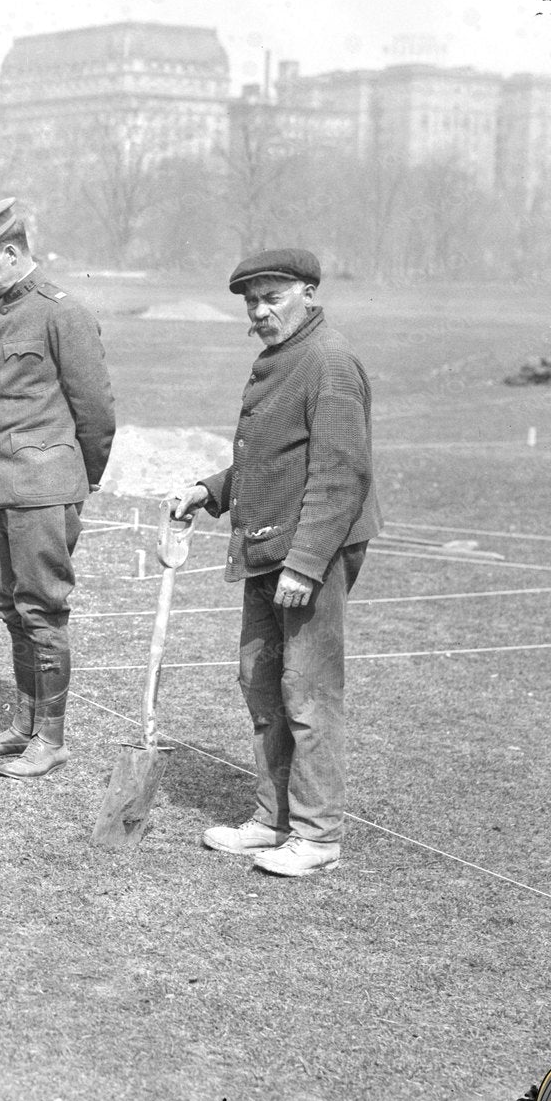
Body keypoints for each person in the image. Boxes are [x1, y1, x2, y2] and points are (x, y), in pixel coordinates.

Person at [169, 247, 381, 877]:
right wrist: (211, 490)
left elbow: (341, 475)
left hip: (310, 551)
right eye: (251, 301)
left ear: (309, 292)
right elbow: (272, 458)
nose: (260, 311)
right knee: (261, 682)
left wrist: (307, 562)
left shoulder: (330, 362)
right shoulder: (281, 359)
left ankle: (317, 838)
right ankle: (272, 820)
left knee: (308, 692)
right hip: (268, 546)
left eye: (274, 297)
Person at [0, 199, 116, 779]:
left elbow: (95, 412)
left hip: (44, 487)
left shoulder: (62, 313)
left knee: (42, 611)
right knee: (12, 609)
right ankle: (24, 726)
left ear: (12, 253)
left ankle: (52, 739)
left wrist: (73, 480)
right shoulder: (1, 312)